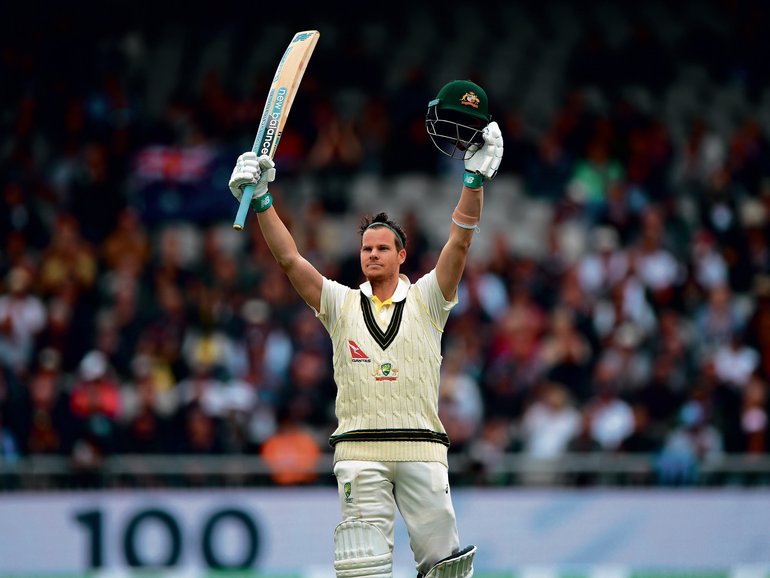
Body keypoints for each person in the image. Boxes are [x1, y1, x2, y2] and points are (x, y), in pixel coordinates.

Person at [228, 79, 503, 578]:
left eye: (383, 248)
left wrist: (474, 182)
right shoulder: (340, 303)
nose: (373, 254)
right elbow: (290, 261)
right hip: (359, 452)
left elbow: (459, 245)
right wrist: (264, 199)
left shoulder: (427, 299)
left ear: (401, 255)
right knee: (362, 569)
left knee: (446, 569)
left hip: (421, 447)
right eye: (366, 248)